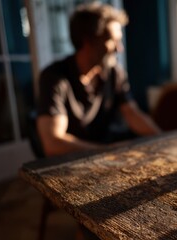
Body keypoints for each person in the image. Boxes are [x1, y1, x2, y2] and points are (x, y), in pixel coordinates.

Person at [37, 3, 161, 157]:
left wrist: (164, 139)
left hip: (103, 156)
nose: (119, 48)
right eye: (111, 40)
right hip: (69, 164)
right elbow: (53, 143)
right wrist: (106, 151)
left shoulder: (114, 73)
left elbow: (132, 113)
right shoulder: (54, 77)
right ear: (88, 41)